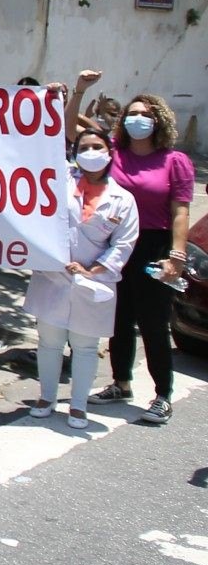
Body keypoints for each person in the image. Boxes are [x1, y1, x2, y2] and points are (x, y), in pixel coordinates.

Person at [88, 85, 194, 424]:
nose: (138, 119)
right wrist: (77, 91)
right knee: (118, 318)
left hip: (154, 245)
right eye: (133, 113)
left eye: (145, 114)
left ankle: (163, 393)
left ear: (159, 121)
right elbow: (69, 130)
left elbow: (180, 210)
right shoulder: (114, 152)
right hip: (117, 243)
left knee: (152, 321)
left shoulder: (174, 161)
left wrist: (176, 256)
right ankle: (121, 382)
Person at [26, 129, 139, 429]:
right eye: (84, 147)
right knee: (49, 342)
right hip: (53, 275)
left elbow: (123, 244)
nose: (91, 152)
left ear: (110, 152)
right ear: (74, 153)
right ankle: (46, 397)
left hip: (94, 282)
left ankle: (77, 406)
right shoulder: (60, 183)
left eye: (97, 146)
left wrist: (93, 271)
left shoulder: (123, 199)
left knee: (85, 345)